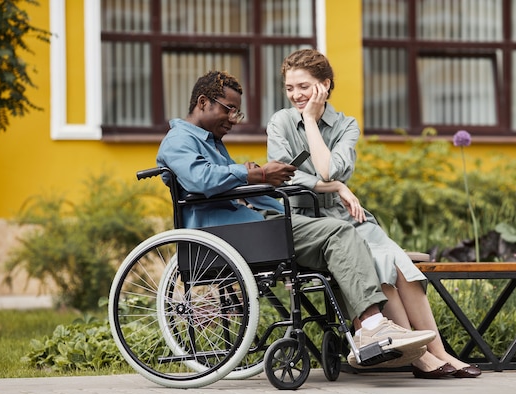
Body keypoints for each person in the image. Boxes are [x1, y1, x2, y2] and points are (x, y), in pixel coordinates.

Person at [155, 70, 436, 368]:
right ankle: (370, 326)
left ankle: (368, 329)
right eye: (229, 109)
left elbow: (224, 182)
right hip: (228, 235)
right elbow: (201, 179)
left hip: (252, 226)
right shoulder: (179, 140)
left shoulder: (210, 142)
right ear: (203, 102)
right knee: (337, 234)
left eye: (237, 111)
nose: (234, 118)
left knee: (341, 236)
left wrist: (261, 177)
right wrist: (256, 174)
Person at [266, 49, 481, 378]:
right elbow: (292, 175)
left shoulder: (346, 125)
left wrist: (315, 130)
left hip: (347, 216)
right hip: (307, 219)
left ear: (324, 85)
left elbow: (328, 169)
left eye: (304, 87)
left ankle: (439, 352)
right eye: (290, 88)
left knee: (401, 265)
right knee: (379, 263)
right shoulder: (280, 122)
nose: (296, 95)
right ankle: (420, 358)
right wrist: (334, 183)